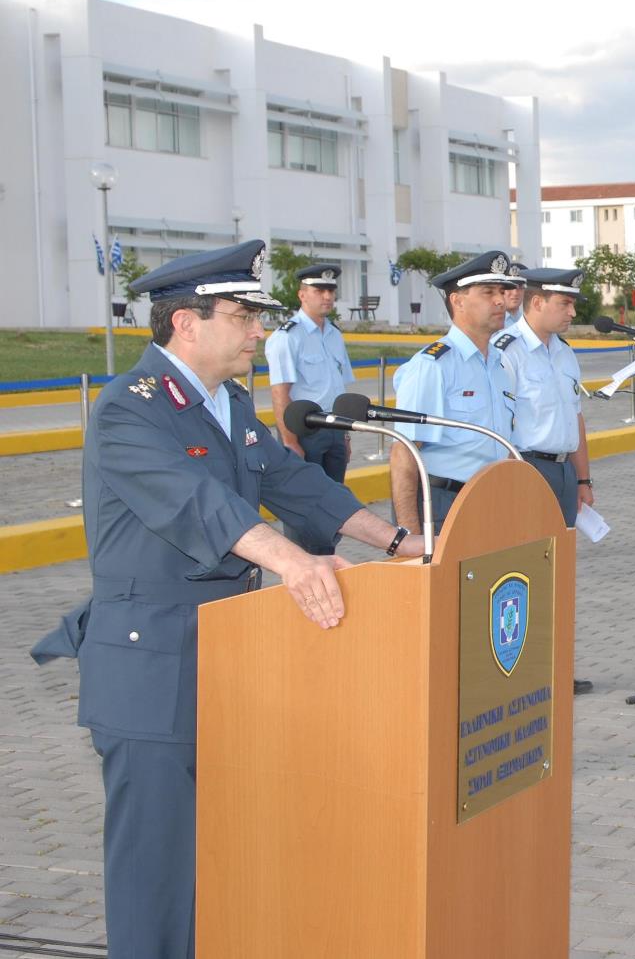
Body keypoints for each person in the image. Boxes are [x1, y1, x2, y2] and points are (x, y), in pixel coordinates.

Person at [31, 239, 425, 959]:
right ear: (187, 323)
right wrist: (290, 560)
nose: (258, 330)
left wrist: (402, 542)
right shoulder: (130, 410)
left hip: (228, 658)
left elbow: (296, 483)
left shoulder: (228, 406)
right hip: (152, 671)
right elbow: (196, 503)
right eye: (243, 314)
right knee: (157, 870)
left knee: (220, 858)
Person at [493, 266, 597, 694]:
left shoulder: (564, 352)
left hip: (562, 472)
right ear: (537, 303)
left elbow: (575, 418)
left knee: (558, 574)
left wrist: (583, 478)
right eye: (565, 303)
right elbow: (501, 423)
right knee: (522, 573)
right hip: (527, 468)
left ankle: (556, 668)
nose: (572, 311)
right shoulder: (508, 350)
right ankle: (521, 670)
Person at [387, 252, 521, 536]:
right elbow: (405, 452)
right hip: (445, 504)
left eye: (501, 291)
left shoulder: (499, 364)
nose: (500, 300)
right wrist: (408, 536)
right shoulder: (433, 365)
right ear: (458, 301)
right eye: (488, 292)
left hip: (492, 502)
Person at [264, 262, 355, 554]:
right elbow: (280, 393)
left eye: (330, 290)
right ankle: (303, 561)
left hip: (334, 430)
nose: (327, 297)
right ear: (302, 294)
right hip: (305, 431)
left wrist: (346, 435)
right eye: (319, 290)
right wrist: (290, 442)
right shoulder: (287, 337)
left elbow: (340, 390)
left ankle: (327, 556)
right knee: (303, 505)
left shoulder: (334, 335)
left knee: (333, 502)